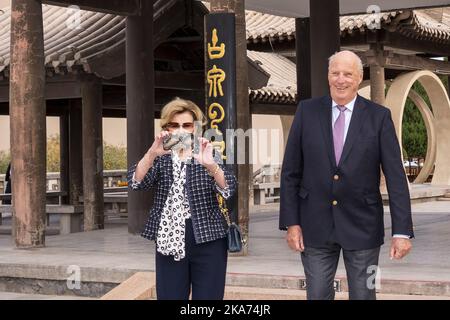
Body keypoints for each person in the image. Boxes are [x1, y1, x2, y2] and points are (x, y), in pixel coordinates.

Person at [279, 50, 414, 300]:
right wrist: (292, 223)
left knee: (364, 294)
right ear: (328, 76)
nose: (341, 80)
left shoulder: (378, 117)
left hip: (363, 225)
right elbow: (290, 172)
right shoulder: (307, 112)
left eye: (348, 74)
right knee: (317, 294)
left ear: (359, 77)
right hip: (314, 225)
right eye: (335, 73)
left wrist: (402, 231)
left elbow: (395, 176)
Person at [127, 97, 236, 300]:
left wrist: (211, 166)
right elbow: (136, 182)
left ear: (196, 127)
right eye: (174, 125)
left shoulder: (207, 152)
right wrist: (151, 153)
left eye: (187, 125)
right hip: (169, 236)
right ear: (166, 127)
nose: (181, 130)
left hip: (208, 236)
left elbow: (228, 189)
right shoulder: (161, 156)